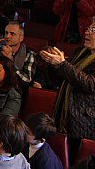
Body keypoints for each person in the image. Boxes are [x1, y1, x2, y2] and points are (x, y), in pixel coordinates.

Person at [40, 25, 95, 160]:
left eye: (92, 30)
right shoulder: (81, 52)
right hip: (63, 115)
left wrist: (63, 64)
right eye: (88, 29)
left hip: (84, 121)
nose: (86, 32)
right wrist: (54, 63)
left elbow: (90, 85)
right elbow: (63, 78)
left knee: (75, 160)